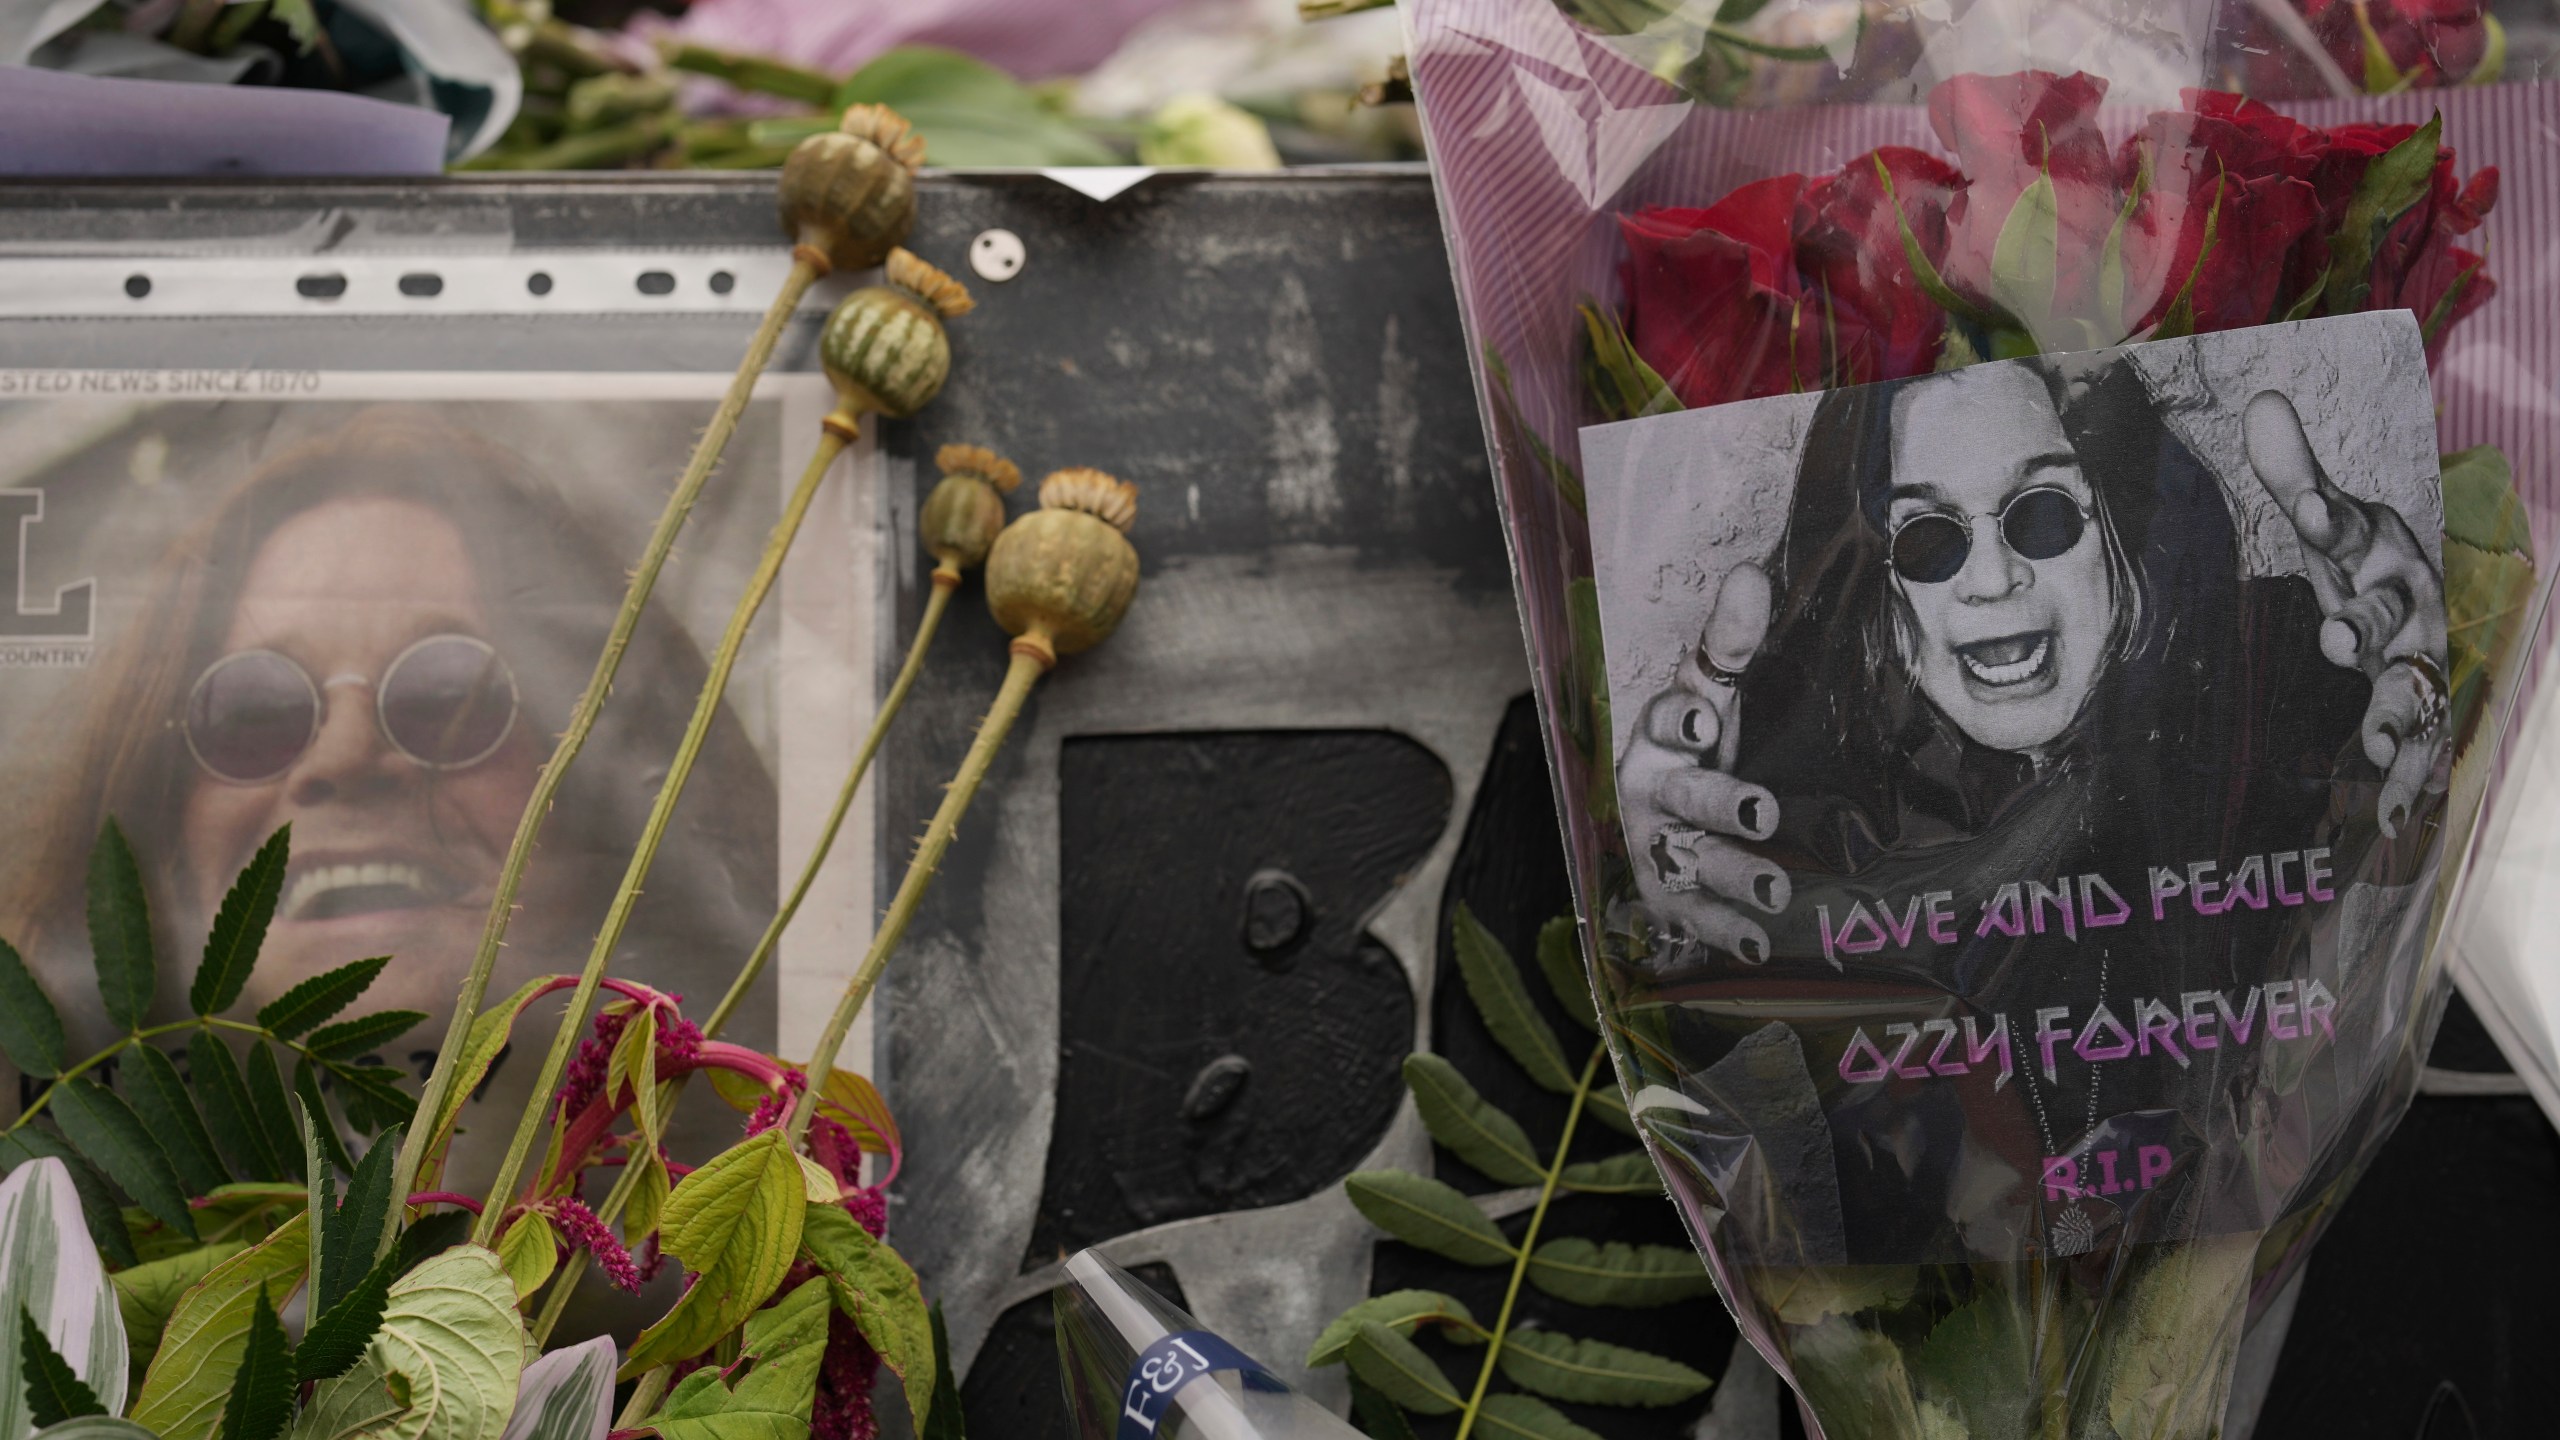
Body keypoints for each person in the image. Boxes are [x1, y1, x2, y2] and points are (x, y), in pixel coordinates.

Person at [1614, 351, 2447, 1260]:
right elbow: (1787, 1170)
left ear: (2120, 531)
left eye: (2043, 516)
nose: (1991, 577)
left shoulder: (2272, 683)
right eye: (1930, 539)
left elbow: (2407, 850)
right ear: (1882, 590)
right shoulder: (1796, 823)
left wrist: (2430, 684)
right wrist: (1666, 926)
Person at [0, 406, 779, 1146]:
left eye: (446, 696)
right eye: (254, 713)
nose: (342, 756)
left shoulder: (763, 1217)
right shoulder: (41, 1227)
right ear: (165, 827)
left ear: (605, 801)